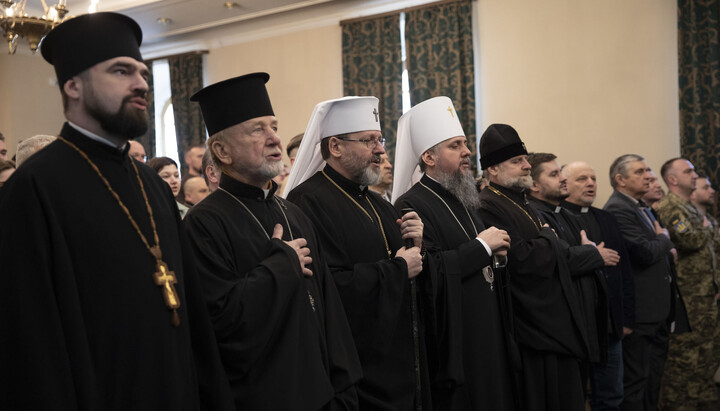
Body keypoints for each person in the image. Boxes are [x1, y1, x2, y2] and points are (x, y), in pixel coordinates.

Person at [0, 12, 233, 410]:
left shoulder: (152, 187)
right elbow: (31, 345)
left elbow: (192, 315)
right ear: (73, 86)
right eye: (122, 71)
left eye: (142, 73)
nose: (142, 83)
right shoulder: (33, 189)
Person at [186, 73, 362, 410]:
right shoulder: (203, 223)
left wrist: (344, 386)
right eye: (257, 129)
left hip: (324, 394)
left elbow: (330, 308)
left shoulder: (293, 213)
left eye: (274, 127)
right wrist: (281, 266)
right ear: (221, 151)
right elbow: (217, 325)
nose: (274, 139)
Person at [285, 96, 430, 410]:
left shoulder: (379, 204)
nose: (380, 149)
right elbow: (328, 288)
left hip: (397, 360)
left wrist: (416, 245)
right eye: (369, 141)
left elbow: (406, 267)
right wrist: (397, 269)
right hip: (355, 367)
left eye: (380, 140)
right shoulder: (307, 202)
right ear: (335, 146)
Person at [392, 96, 516, 410]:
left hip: (487, 322)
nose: (467, 152)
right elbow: (428, 269)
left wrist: (496, 258)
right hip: (456, 333)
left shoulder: (464, 196)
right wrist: (483, 247)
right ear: (429, 157)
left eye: (465, 144)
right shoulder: (411, 204)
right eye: (455, 145)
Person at [476, 124, 589, 411]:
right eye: (517, 161)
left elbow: (551, 249)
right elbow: (521, 259)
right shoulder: (487, 206)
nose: (527, 166)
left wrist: (548, 241)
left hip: (554, 321)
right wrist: (550, 238)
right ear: (493, 170)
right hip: (533, 328)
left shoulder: (522, 202)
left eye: (525, 159)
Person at [527, 153, 617, 392]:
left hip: (585, 319)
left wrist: (586, 253)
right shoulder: (534, 215)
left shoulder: (565, 213)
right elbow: (559, 259)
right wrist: (593, 255)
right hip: (559, 326)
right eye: (555, 174)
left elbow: (572, 253)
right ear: (534, 184)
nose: (563, 178)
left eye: (561, 172)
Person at [603, 154, 677, 411]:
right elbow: (643, 253)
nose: (648, 175)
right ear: (620, 180)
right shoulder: (618, 208)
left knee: (652, 381)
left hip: (657, 311)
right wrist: (665, 239)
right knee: (636, 383)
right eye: (640, 171)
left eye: (648, 170)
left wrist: (660, 242)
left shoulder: (639, 206)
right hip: (641, 313)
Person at [562, 160, 636, 411]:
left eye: (593, 178)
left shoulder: (606, 218)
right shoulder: (557, 218)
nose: (591, 183)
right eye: (582, 179)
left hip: (609, 324)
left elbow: (624, 270)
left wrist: (625, 317)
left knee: (611, 395)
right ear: (564, 185)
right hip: (577, 325)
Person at [655, 158, 720, 410]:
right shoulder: (671, 207)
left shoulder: (689, 207)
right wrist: (705, 228)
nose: (694, 175)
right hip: (687, 296)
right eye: (688, 171)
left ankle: (700, 402)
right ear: (672, 179)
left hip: (704, 294)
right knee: (684, 359)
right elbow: (690, 240)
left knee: (706, 354)